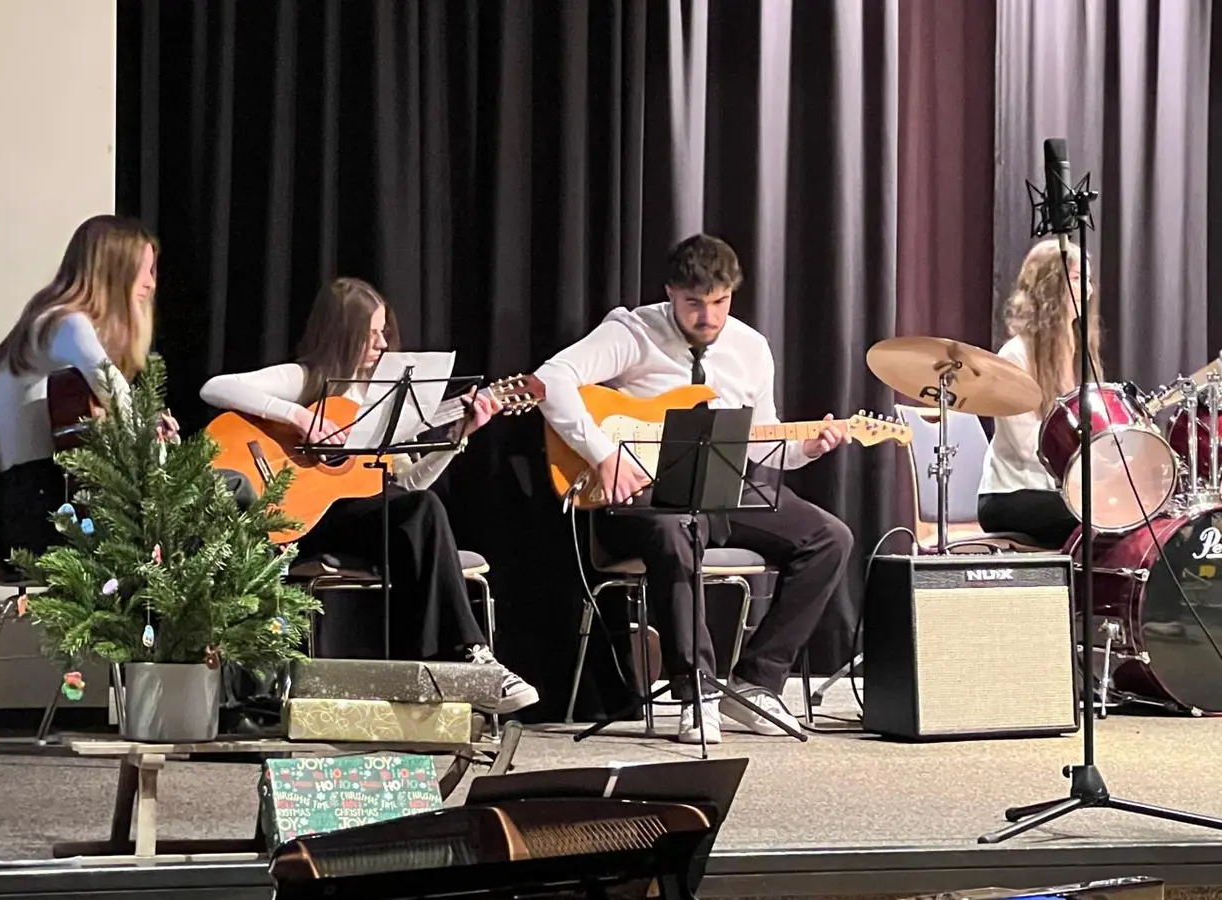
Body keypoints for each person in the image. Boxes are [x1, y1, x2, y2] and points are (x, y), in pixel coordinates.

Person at [534, 234, 853, 743]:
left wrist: (808, 448)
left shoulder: (750, 348)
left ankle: (756, 684)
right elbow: (549, 381)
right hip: (644, 494)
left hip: (724, 484)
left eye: (720, 303)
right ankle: (695, 691)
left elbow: (761, 439)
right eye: (694, 305)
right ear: (670, 293)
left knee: (830, 538)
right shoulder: (634, 331)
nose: (709, 318)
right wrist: (603, 453)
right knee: (674, 531)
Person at [199, 276, 539, 715]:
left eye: (383, 332)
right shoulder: (308, 378)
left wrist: (455, 438)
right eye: (371, 332)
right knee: (420, 513)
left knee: (421, 509)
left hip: (344, 519)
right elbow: (216, 386)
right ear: (342, 332)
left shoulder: (388, 400)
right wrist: (300, 417)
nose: (381, 343)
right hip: (292, 520)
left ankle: (458, 662)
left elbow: (407, 486)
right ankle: (463, 657)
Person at [0, 214, 176, 558]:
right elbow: (120, 400)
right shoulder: (67, 323)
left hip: (32, 501)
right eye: (143, 270)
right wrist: (160, 446)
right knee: (223, 495)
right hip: (46, 511)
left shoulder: (47, 318)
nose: (151, 283)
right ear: (112, 270)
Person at [976, 238, 1102, 549]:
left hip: (1061, 490)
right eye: (1077, 278)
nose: (1088, 289)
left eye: (1087, 279)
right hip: (1012, 495)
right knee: (1100, 514)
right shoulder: (1015, 356)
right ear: (1050, 288)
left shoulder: (1074, 351)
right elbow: (1027, 446)